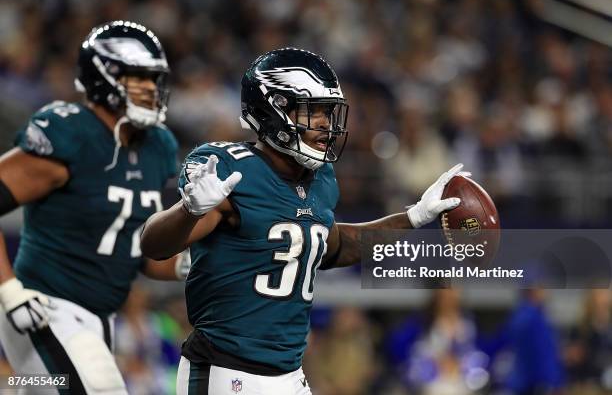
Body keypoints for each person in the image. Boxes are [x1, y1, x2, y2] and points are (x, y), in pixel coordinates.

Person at [141, 47, 463, 394]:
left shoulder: (320, 178)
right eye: (314, 112)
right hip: (225, 369)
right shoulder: (229, 170)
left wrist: (412, 217)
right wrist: (189, 210)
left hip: (290, 373)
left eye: (329, 112)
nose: (327, 124)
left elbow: (332, 246)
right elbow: (154, 246)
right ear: (274, 109)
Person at [0, 20, 188, 394]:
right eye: (139, 78)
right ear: (104, 77)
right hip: (43, 308)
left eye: (154, 79)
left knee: (46, 386)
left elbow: (141, 254)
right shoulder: (72, 135)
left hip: (98, 318)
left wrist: (191, 261)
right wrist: (7, 289)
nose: (151, 89)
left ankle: (9, 385)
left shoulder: (158, 146)